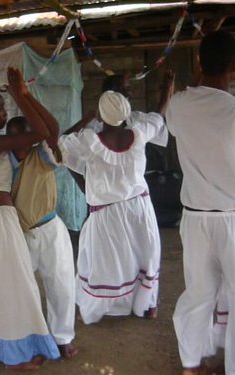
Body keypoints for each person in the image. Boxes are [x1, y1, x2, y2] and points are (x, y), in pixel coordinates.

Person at [167, 31, 235, 375]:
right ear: (234, 67)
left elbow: (184, 115)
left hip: (195, 219)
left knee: (199, 293)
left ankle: (191, 363)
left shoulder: (178, 106)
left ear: (199, 62)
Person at [0, 69, 60, 370]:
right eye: (0, 107)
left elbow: (51, 132)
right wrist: (21, 95)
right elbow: (44, 133)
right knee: (13, 283)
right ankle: (14, 353)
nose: (6, 111)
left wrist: (23, 96)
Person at [0, 115, 78, 359]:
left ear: (33, 139)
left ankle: (62, 337)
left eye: (25, 137)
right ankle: (19, 338)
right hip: (18, 234)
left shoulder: (42, 157)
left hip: (49, 228)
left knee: (61, 286)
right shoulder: (3, 163)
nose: (20, 144)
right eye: (15, 137)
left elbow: (55, 136)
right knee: (16, 290)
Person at [59, 90, 167, 324]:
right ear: (127, 112)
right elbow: (158, 117)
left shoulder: (88, 140)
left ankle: (100, 307)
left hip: (107, 213)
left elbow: (62, 142)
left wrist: (87, 118)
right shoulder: (139, 133)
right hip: (139, 207)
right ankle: (147, 304)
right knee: (143, 255)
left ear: (100, 114)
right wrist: (166, 90)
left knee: (107, 263)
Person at [66, 71, 173, 193]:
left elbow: (156, 118)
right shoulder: (92, 131)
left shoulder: (135, 121)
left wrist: (167, 90)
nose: (128, 93)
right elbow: (66, 152)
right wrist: (87, 190)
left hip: (135, 197)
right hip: (107, 201)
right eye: (123, 89)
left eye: (128, 88)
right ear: (109, 95)